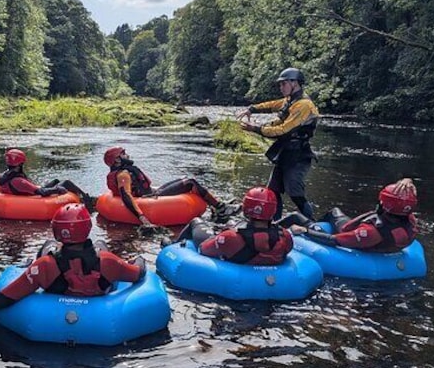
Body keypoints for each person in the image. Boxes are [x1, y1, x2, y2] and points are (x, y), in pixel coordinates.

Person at [0, 204, 146, 319]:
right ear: (87, 227)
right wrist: (138, 258)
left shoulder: (44, 265)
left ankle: (33, 260)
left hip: (53, 293)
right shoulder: (109, 261)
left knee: (48, 246)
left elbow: (6, 297)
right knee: (101, 244)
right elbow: (139, 273)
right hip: (100, 303)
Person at [237, 67, 320, 220]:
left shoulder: (304, 105)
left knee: (294, 192)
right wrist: (252, 108)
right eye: (280, 84)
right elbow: (272, 104)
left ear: (295, 83)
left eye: (284, 84)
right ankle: (275, 223)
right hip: (286, 152)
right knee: (273, 191)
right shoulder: (291, 100)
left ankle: (312, 222)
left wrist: (257, 129)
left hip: (299, 155)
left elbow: (284, 130)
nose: (281, 87)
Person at [103, 146, 239, 232]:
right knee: (190, 182)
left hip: (150, 193)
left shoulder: (122, 172)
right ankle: (221, 208)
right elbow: (126, 196)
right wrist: (143, 218)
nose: (127, 156)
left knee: (185, 180)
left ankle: (217, 206)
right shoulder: (123, 175)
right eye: (123, 154)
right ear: (117, 160)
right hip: (150, 198)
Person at [284, 178, 418, 253]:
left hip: (355, 240)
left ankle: (270, 229)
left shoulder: (371, 233)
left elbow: (333, 239)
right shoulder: (410, 220)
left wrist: (305, 231)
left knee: (296, 216)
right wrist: (408, 181)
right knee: (336, 212)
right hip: (380, 246)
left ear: (384, 204)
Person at [166, 187, 293, 266]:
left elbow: (204, 249)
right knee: (231, 223)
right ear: (273, 209)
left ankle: (173, 244)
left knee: (196, 221)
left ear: (246, 207)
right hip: (268, 270)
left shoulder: (232, 237)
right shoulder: (285, 235)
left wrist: (220, 234)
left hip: (236, 263)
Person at [0, 148, 96, 211]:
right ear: (20, 163)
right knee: (66, 183)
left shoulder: (1, 176)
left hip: (23, 194)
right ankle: (87, 200)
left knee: (56, 181)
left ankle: (83, 198)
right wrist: (57, 190)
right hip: (32, 198)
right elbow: (42, 192)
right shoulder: (19, 181)